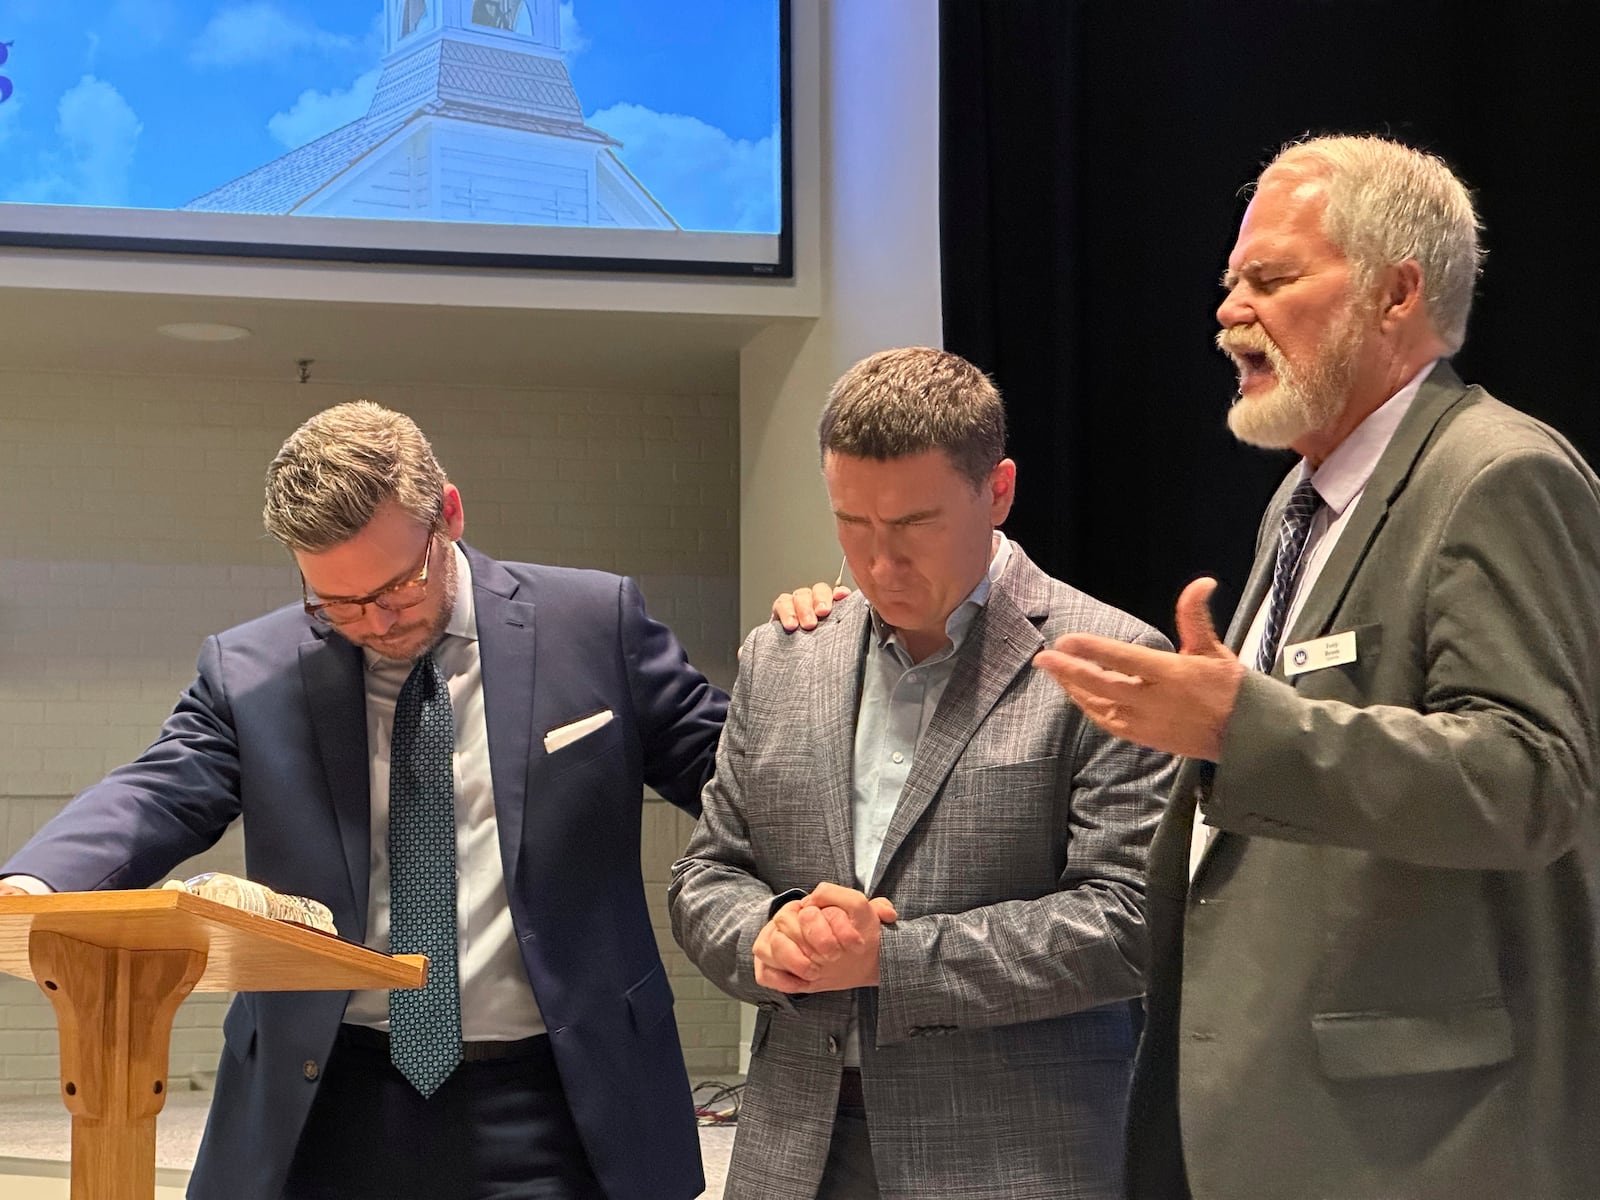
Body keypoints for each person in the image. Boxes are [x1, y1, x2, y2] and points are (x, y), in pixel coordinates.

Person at [1034, 135, 1600, 1199]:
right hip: (1269, 1112)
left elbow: (1532, 779)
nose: (1228, 312)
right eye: (1228, 283)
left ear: (1395, 294)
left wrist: (1238, 730)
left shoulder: (1498, 475)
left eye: (1270, 279)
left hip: (1413, 1141)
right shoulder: (1298, 505)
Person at [0, 400, 728, 1200]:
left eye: (396, 588)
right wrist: (32, 886)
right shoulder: (251, 668)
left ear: (447, 513)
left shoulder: (591, 623)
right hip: (326, 1098)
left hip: (556, 1096)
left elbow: (732, 772)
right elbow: (160, 788)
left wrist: (821, 652)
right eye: (335, 604)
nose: (373, 623)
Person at [669, 346, 1175, 1200]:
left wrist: (891, 961)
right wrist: (768, 933)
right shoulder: (783, 659)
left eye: (912, 525)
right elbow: (705, 873)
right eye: (852, 525)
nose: (878, 566)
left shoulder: (1112, 661)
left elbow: (1131, 922)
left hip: (1015, 1157)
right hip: (795, 1150)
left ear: (999, 491)